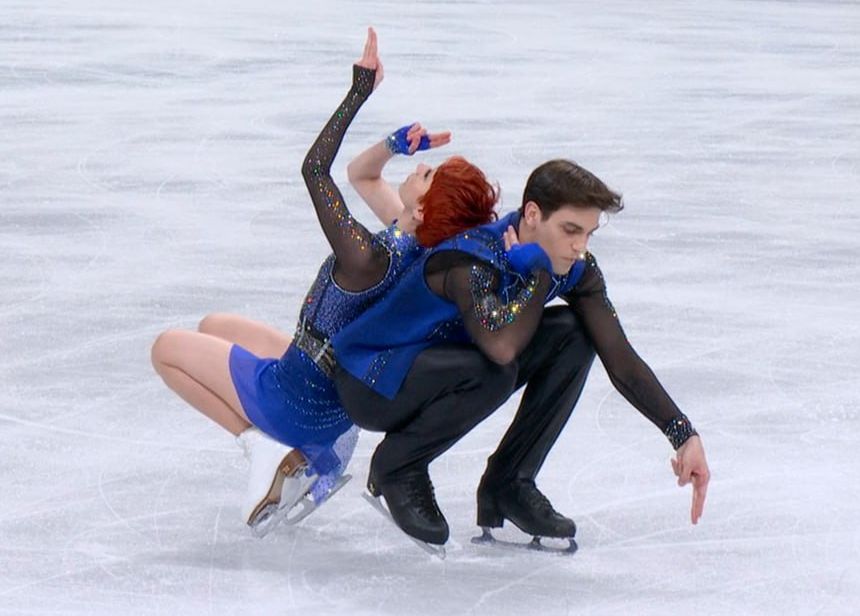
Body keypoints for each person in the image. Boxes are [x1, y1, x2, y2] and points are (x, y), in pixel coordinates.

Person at [150, 28, 499, 536]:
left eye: (427, 175)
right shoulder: (421, 248)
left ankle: (265, 447)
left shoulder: (367, 256)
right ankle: (307, 451)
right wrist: (394, 145)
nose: (422, 167)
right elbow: (363, 175)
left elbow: (316, 170)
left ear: (423, 209)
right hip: (333, 397)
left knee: (166, 349)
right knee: (214, 325)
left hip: (296, 400)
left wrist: (358, 92)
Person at [332, 159, 710, 548]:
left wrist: (682, 434)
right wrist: (539, 273)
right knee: (496, 370)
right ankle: (398, 465)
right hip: (371, 381)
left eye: (588, 233)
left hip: (442, 369)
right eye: (570, 230)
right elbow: (502, 347)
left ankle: (509, 483)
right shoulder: (473, 257)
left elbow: (618, 354)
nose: (580, 247)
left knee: (575, 333)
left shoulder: (575, 267)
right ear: (532, 214)